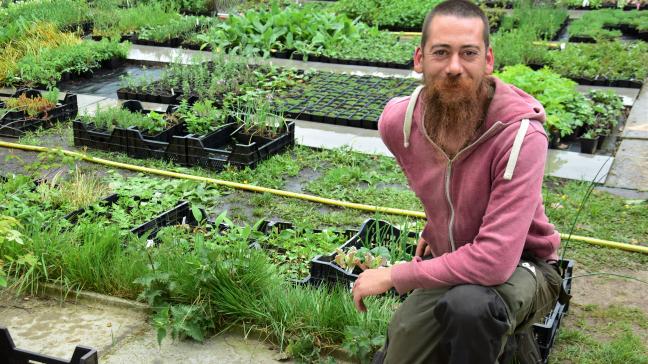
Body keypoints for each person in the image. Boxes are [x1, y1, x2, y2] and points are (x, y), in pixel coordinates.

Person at [351, 1, 565, 363]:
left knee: (470, 308)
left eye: (468, 53)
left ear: (488, 60)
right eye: (441, 52)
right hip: (456, 256)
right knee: (403, 343)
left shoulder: (521, 138)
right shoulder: (397, 125)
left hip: (525, 265)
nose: (453, 67)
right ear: (419, 58)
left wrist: (394, 275)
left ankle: (510, 346)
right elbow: (446, 186)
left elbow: (495, 260)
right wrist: (437, 224)